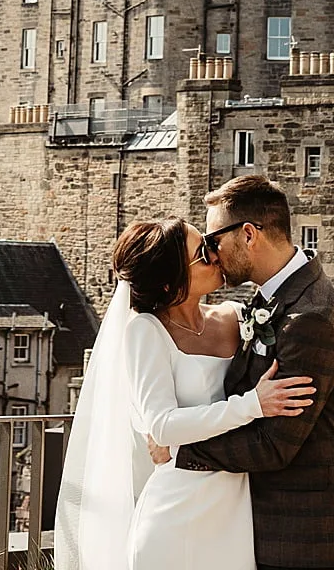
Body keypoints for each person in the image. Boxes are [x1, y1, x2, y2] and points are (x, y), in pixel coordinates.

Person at [56, 216, 316, 570]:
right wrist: (252, 405)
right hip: (175, 514)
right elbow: (162, 427)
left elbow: (298, 372)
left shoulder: (236, 316)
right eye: (202, 254)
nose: (215, 255)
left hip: (234, 513)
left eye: (208, 245)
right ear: (168, 283)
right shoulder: (146, 332)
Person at [174, 175, 334, 570]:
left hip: (299, 538)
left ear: (249, 234)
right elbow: (298, 400)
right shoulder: (280, 297)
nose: (212, 254)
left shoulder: (309, 315)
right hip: (275, 534)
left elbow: (274, 445)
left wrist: (178, 450)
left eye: (213, 240)